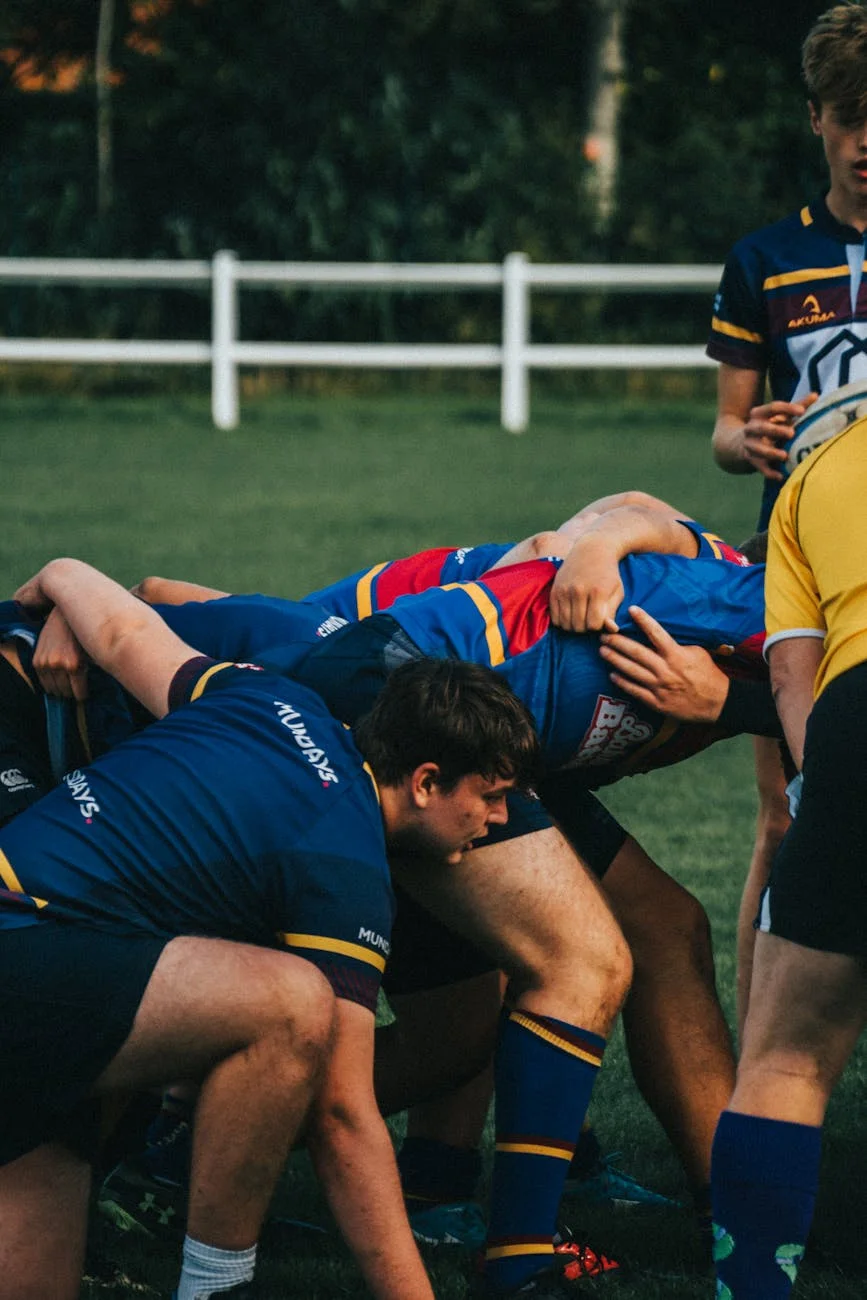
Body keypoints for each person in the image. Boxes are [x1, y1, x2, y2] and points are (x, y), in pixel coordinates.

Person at [0, 556, 540, 1300]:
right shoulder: (343, 858)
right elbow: (344, 1116)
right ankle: (217, 1287)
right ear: (422, 782)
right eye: (493, 794)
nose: (501, 819)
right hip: (26, 955)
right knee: (290, 1005)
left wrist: (61, 572)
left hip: (49, 982)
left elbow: (126, 631)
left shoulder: (261, 693)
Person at [707, 2, 867, 1032]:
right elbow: (724, 432)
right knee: (788, 814)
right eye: (853, 119)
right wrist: (751, 438)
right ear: (816, 120)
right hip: (798, 577)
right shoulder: (765, 260)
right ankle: (753, 1067)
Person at [711, 409, 867, 1299]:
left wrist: (833, 800)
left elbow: (788, 678)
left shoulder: (812, 473)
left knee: (784, 1062)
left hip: (856, 726)